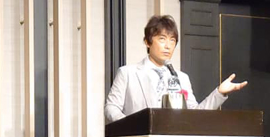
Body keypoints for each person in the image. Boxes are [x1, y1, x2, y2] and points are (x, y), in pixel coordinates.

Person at [104, 14, 247, 123]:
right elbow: (111, 107)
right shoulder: (128, 73)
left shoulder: (181, 78)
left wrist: (219, 92)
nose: (168, 46)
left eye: (172, 40)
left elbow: (194, 114)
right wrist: (130, 126)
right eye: (162, 39)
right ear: (147, 42)